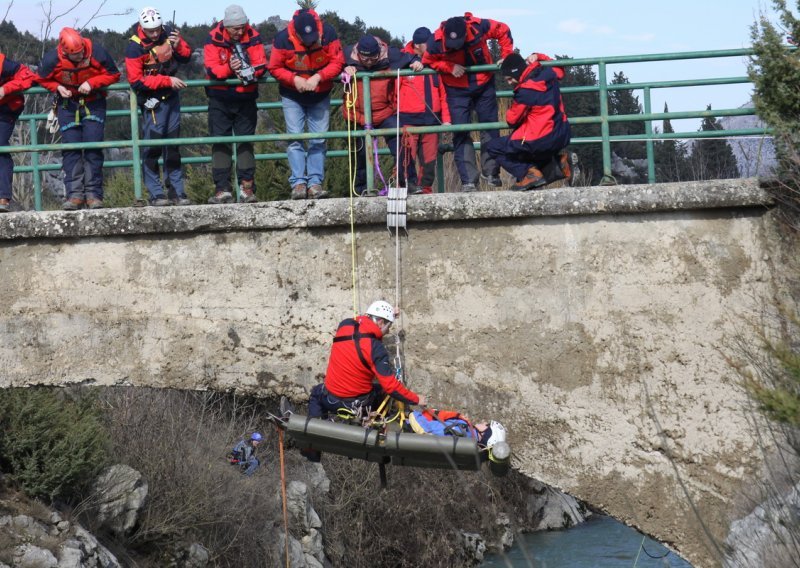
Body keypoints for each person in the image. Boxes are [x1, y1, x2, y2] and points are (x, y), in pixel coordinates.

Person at [422, 13, 514, 192]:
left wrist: (507, 55)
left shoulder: (478, 26)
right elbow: (428, 61)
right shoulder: (434, 41)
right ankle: (468, 181)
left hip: (484, 84)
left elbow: (503, 30)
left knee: (490, 126)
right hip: (456, 89)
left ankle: (491, 172)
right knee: (461, 131)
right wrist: (448, 67)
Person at [36, 27, 121, 210]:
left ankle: (93, 195)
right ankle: (74, 195)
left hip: (94, 103)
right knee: (71, 149)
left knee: (93, 148)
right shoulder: (52, 59)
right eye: (75, 55)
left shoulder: (97, 52)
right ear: (64, 52)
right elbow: (40, 79)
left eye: (82, 51)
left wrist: (92, 83)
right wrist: (57, 88)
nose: (80, 56)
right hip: (68, 106)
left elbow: (114, 75)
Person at [268, 8, 344, 201]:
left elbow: (337, 62)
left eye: (313, 37)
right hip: (292, 95)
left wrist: (319, 77)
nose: (311, 41)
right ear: (297, 34)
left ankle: (315, 183)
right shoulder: (282, 38)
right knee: (295, 139)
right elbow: (274, 67)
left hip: (320, 94)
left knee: (318, 140)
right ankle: (299, 184)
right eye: (306, 38)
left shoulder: (329, 33)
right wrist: (294, 80)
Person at [309, 300, 426, 421]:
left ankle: (314, 428)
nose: (389, 331)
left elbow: (363, 328)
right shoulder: (376, 348)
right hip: (355, 405)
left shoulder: (344, 325)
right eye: (389, 326)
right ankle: (375, 425)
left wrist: (390, 315)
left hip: (329, 399)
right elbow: (391, 386)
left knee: (316, 393)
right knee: (381, 391)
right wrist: (416, 399)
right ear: (380, 323)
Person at [125, 6, 193, 207]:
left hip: (171, 99)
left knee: (172, 147)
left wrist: (178, 45)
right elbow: (136, 81)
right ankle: (156, 193)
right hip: (152, 103)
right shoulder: (134, 47)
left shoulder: (169, 32)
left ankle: (176, 190)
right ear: (142, 28)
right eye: (150, 31)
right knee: (152, 148)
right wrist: (166, 80)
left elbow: (186, 57)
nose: (155, 34)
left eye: (157, 30)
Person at [204, 5, 267, 205]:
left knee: (245, 143)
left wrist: (249, 71)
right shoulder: (212, 39)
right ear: (226, 26)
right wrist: (230, 69)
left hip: (245, 98)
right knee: (220, 143)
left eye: (243, 27)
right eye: (235, 29)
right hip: (219, 99)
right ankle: (222, 189)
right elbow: (213, 71)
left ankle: (247, 188)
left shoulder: (253, 36)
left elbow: (261, 65)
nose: (240, 32)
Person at [486, 52, 572, 191]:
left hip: (542, 137)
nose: (509, 83)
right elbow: (559, 70)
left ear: (516, 73)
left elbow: (511, 120)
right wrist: (539, 56)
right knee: (529, 150)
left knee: (494, 147)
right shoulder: (548, 73)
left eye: (509, 78)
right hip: (562, 133)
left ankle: (529, 174)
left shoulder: (525, 91)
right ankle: (560, 164)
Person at [342, 35, 415, 196]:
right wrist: (343, 69)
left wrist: (415, 62)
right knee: (359, 153)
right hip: (357, 115)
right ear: (358, 53)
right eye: (364, 58)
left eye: (373, 58)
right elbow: (332, 66)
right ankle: (361, 190)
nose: (368, 62)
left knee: (401, 144)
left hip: (385, 112)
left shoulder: (391, 54)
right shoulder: (346, 54)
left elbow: (410, 57)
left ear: (379, 53)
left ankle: (409, 182)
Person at [397, 27, 451, 195]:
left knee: (429, 160)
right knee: (406, 158)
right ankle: (404, 189)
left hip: (432, 121)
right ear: (418, 46)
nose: (433, 46)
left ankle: (426, 189)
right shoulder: (402, 59)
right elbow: (393, 93)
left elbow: (444, 93)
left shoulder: (436, 62)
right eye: (429, 44)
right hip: (408, 121)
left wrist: (447, 120)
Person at [0, 53, 36, 213]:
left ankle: (3, 197)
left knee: (0, 146)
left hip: (6, 109)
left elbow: (30, 77)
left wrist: (5, 89)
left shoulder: (4, 64)